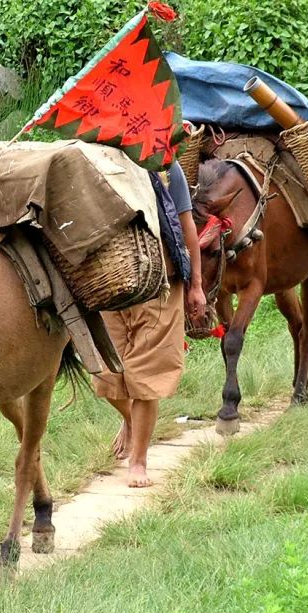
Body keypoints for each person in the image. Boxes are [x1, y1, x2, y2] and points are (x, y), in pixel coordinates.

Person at [93, 163, 206, 487]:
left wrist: (195, 285)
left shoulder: (167, 168)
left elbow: (187, 229)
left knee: (147, 376)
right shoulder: (97, 162)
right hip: (110, 283)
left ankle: (138, 461)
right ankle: (131, 419)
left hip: (161, 283)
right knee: (104, 373)